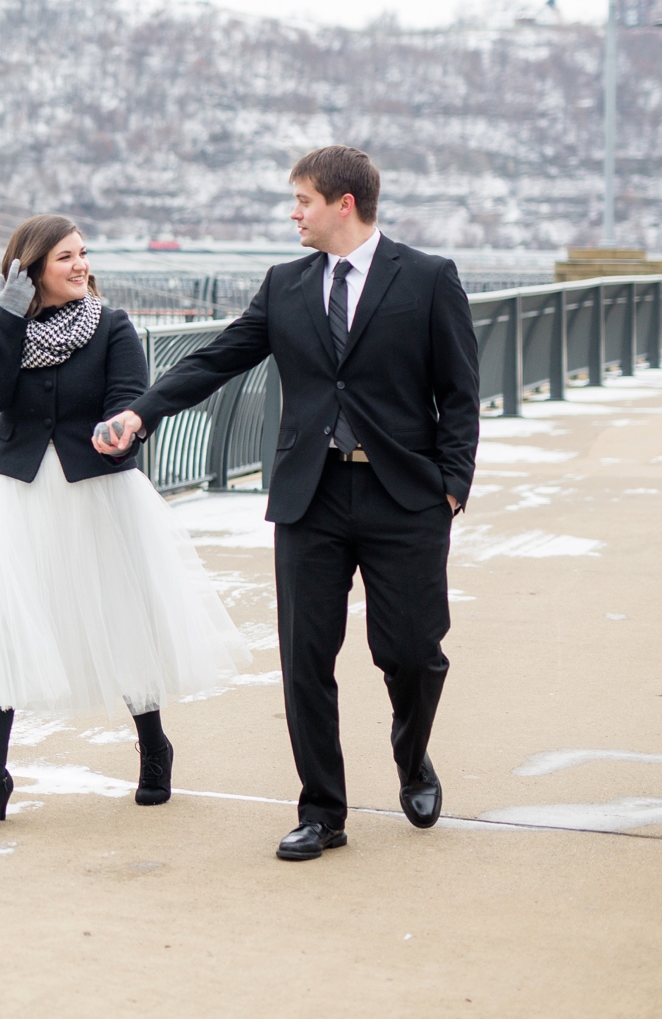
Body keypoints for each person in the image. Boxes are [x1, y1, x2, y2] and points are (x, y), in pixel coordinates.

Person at [97, 145, 479, 862]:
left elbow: (459, 395)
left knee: (412, 653)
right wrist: (142, 414)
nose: (292, 213)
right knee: (306, 658)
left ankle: (411, 753)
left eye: (301, 199)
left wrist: (451, 488)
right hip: (312, 495)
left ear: (344, 203)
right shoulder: (285, 286)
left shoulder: (428, 279)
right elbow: (218, 359)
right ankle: (323, 810)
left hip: (405, 498)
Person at [0, 214, 250, 833]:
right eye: (65, 257)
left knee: (121, 615)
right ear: (29, 269)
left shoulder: (112, 327)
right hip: (18, 496)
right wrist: (9, 319)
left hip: (100, 493)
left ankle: (152, 745)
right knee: (0, 629)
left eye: (83, 253)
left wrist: (118, 428)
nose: (81, 265)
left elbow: (130, 398)